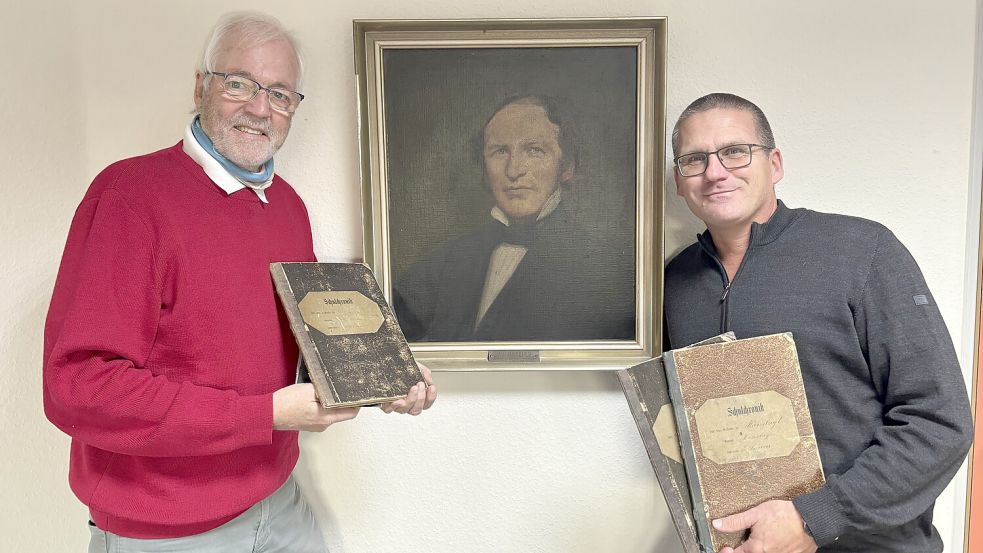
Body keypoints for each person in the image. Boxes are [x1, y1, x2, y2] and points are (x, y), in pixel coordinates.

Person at [42, 12, 435, 553]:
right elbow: (77, 387)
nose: (259, 108)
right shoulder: (128, 197)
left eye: (279, 93)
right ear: (201, 85)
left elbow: (307, 343)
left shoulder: (289, 208)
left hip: (278, 502)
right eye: (239, 83)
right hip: (166, 528)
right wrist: (265, 415)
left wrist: (382, 380)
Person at [664, 92, 973, 552]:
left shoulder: (862, 251)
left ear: (776, 163)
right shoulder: (674, 283)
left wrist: (813, 520)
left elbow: (939, 420)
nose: (715, 171)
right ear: (678, 180)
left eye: (735, 151)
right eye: (694, 159)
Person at [393, 95, 635, 342]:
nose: (514, 170)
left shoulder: (606, 271)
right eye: (500, 151)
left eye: (534, 151)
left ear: (566, 167)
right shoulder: (444, 262)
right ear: (485, 170)